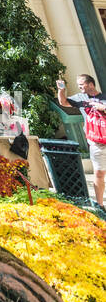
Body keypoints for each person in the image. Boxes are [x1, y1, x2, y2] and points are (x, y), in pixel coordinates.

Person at [56, 74, 106, 206]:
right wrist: (61, 90)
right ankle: (100, 205)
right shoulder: (80, 98)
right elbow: (63, 102)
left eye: (81, 84)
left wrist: (103, 108)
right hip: (96, 142)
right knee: (99, 172)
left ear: (90, 84)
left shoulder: (104, 97)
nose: (79, 87)